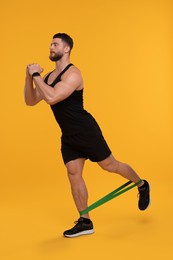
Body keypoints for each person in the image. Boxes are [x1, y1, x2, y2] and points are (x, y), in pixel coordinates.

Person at [24, 33, 150, 238]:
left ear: (67, 49)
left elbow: (52, 97)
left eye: (55, 44)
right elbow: (30, 101)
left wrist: (37, 76)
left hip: (86, 130)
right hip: (68, 135)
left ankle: (142, 185)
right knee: (73, 174)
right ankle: (85, 221)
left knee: (111, 165)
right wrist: (28, 77)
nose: (51, 47)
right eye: (50, 44)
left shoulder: (73, 74)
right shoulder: (48, 77)